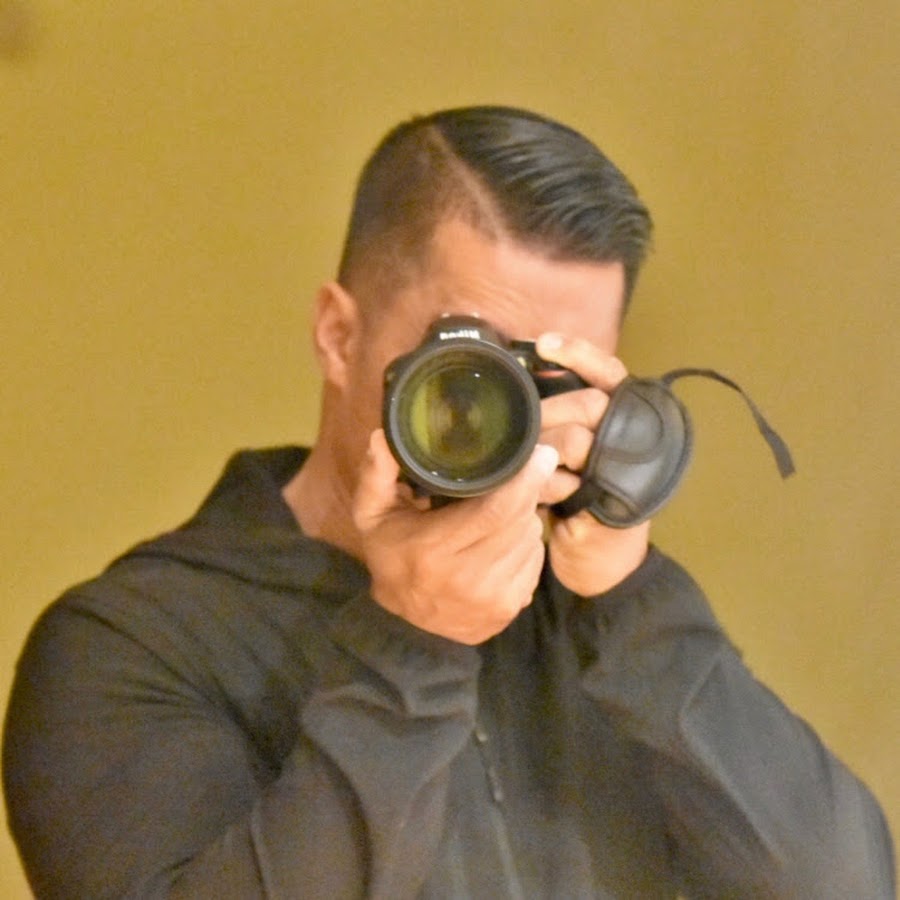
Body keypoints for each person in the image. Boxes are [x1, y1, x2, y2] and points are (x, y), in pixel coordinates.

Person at [3, 106, 894, 898]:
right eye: (473, 367)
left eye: (553, 375)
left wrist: (632, 596)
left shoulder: (596, 617)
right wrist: (412, 645)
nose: (515, 417)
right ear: (338, 335)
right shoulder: (130, 644)